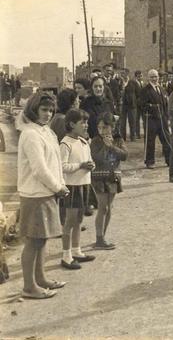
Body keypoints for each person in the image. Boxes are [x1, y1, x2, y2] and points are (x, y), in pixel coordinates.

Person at [16, 92, 69, 299]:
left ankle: (41, 278)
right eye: (44, 110)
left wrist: (60, 183)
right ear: (34, 109)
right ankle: (29, 286)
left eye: (51, 110)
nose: (48, 114)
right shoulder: (30, 134)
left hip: (47, 191)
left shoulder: (46, 131)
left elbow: (55, 163)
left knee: (42, 238)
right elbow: (39, 169)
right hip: (35, 193)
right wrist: (58, 187)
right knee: (33, 241)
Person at [59, 109, 96, 269]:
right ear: (72, 124)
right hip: (72, 186)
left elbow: (89, 160)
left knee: (79, 219)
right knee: (70, 221)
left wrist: (91, 165)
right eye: (83, 123)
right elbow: (62, 166)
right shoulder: (65, 143)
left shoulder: (83, 141)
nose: (86, 125)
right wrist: (80, 166)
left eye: (87, 122)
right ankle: (66, 255)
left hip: (83, 184)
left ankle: (76, 250)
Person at [91, 112, 128, 250]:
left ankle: (102, 236)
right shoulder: (95, 141)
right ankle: (99, 239)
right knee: (103, 207)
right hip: (99, 177)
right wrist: (106, 146)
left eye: (105, 127)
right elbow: (96, 158)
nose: (102, 131)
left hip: (113, 177)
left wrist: (112, 146)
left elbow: (124, 155)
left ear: (112, 127)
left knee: (110, 208)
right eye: (100, 128)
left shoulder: (118, 140)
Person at [139, 69, 171, 169]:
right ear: (148, 78)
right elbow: (141, 105)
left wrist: (167, 117)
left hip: (163, 119)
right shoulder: (145, 90)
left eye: (156, 76)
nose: (154, 79)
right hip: (151, 120)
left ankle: (170, 160)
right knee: (150, 141)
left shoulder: (162, 89)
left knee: (167, 139)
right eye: (152, 77)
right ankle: (149, 161)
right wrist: (153, 107)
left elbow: (166, 104)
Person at [121, 70, 138, 141]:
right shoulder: (119, 82)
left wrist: (134, 101)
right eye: (121, 73)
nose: (123, 75)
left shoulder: (133, 82)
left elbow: (138, 93)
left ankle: (132, 137)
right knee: (122, 122)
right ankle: (122, 137)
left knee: (132, 121)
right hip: (122, 105)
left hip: (132, 105)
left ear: (128, 74)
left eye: (124, 73)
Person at [133, 71, 144, 139]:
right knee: (137, 119)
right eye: (138, 76)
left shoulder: (142, 83)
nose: (140, 77)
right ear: (136, 76)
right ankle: (137, 133)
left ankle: (144, 133)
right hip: (137, 104)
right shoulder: (134, 83)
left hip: (142, 104)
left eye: (141, 76)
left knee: (144, 118)